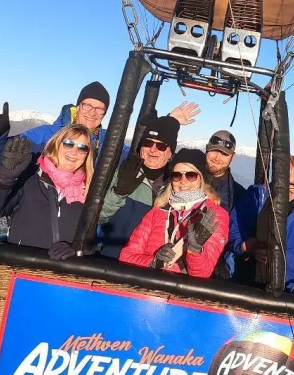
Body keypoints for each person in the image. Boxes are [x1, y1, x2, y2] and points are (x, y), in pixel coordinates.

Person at [0, 81, 200, 166]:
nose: (92, 113)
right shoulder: (47, 134)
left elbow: (137, 155)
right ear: (78, 106)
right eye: (88, 106)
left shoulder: (106, 141)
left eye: (100, 109)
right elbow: (0, 155)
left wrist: (169, 122)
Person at [0, 124, 95, 260]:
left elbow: (91, 239)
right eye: (68, 144)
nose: (74, 152)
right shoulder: (30, 178)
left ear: (87, 155)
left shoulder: (88, 191)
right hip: (22, 268)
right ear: (55, 145)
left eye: (82, 148)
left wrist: (76, 248)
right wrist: (4, 179)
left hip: (63, 272)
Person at [226, 156, 294, 293]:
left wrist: (278, 257)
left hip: (289, 289)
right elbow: (231, 228)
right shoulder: (257, 195)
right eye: (278, 182)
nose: (282, 189)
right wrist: (245, 245)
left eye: (290, 184)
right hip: (245, 282)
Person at [119, 148, 229, 278]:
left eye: (191, 175)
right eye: (177, 175)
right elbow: (126, 256)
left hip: (180, 289)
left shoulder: (214, 215)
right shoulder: (159, 209)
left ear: (201, 178)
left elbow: (202, 274)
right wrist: (154, 262)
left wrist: (195, 250)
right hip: (146, 286)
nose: (183, 181)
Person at [95, 113, 181, 258]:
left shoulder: (177, 185)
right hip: (111, 259)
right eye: (148, 143)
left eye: (161, 146)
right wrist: (118, 193)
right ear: (141, 147)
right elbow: (97, 217)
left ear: (170, 153)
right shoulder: (120, 174)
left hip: (152, 264)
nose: (153, 149)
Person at [205, 130, 246, 212]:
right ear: (207, 149)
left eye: (224, 154)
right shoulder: (185, 177)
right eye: (214, 150)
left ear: (232, 157)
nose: (217, 158)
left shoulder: (239, 196)